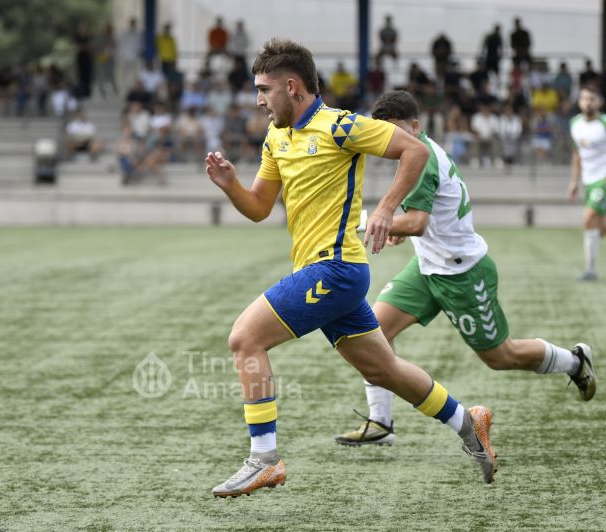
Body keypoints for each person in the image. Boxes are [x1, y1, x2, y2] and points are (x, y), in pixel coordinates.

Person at [206, 39, 498, 498]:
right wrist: (230, 186)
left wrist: (384, 209)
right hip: (326, 275)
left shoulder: (340, 126)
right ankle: (469, 421)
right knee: (385, 369)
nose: (259, 100)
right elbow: (260, 207)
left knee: (244, 337)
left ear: (292, 85)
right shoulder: (276, 136)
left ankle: (264, 459)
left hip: (336, 269)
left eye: (264, 89)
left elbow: (415, 152)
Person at [334, 91, 595, 447]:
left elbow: (418, 223)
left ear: (415, 126)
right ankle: (381, 423)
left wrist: (366, 223)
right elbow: (419, 222)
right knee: (374, 334)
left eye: (395, 131)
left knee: (501, 356)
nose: (390, 141)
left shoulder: (421, 160)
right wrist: (399, 229)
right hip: (427, 269)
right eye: (383, 134)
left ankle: (575, 362)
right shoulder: (415, 152)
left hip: (463, 274)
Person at [569, 87, 606, 281]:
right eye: (584, 98)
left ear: (598, 102)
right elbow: (577, 155)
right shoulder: (574, 124)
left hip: (603, 179)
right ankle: (591, 268)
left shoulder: (604, 123)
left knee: (588, 218)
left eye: (591, 98)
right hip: (588, 180)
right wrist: (574, 181)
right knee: (599, 226)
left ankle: (590, 271)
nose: (587, 102)